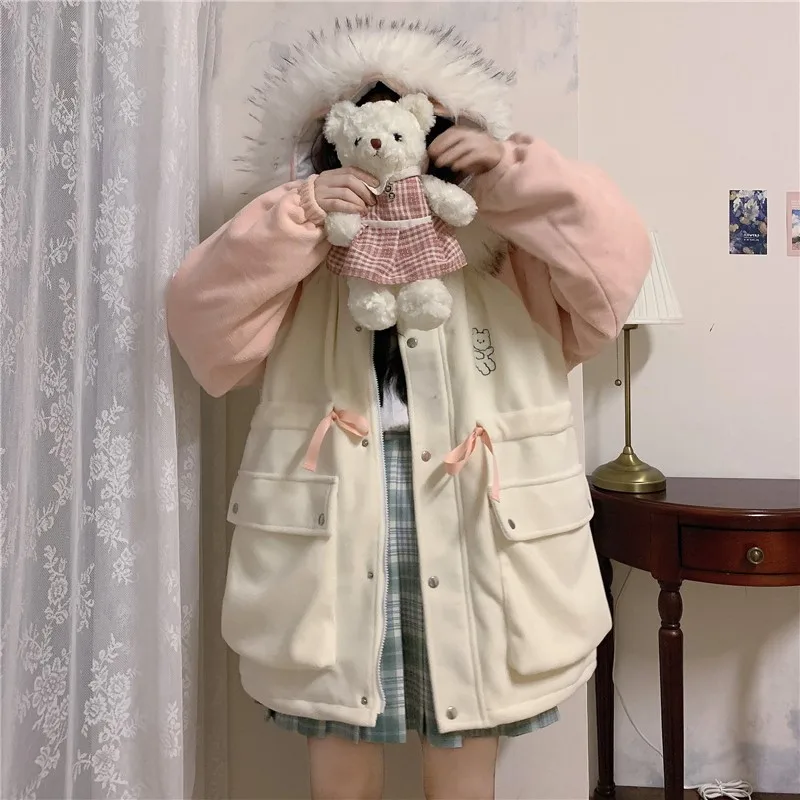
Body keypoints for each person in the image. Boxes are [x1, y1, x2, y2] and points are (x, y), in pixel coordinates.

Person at [167, 19, 651, 800]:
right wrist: (299, 212)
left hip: (478, 519)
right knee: (340, 769)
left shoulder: (504, 257)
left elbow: (618, 261)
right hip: (337, 520)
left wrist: (507, 173)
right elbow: (202, 326)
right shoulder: (312, 259)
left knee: (462, 769)